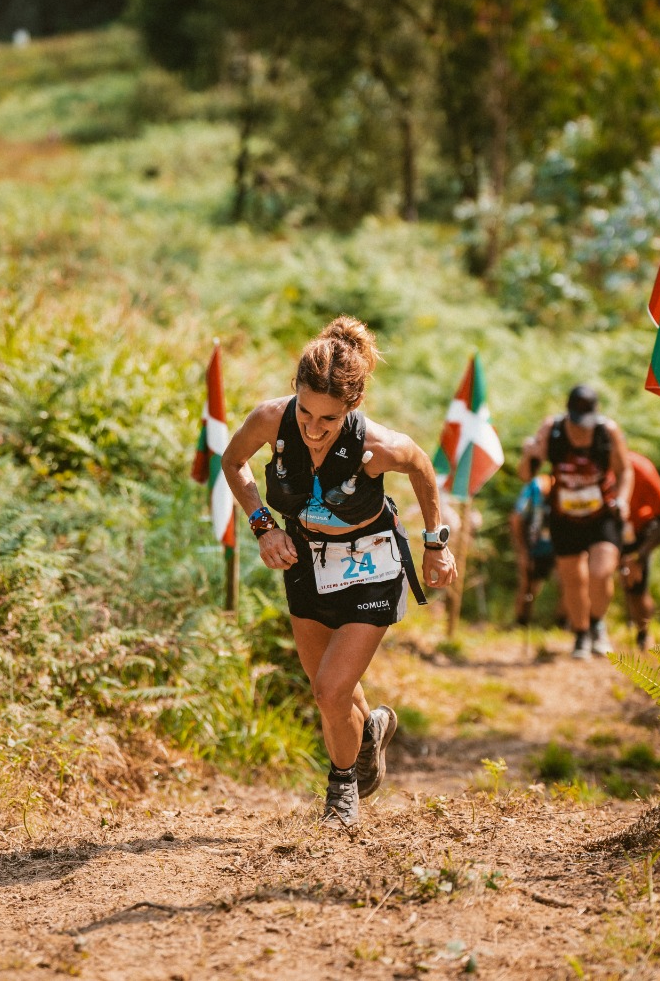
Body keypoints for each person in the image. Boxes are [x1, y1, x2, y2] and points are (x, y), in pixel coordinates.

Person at [221, 317, 456, 829]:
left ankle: (341, 790)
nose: (311, 427)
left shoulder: (378, 444)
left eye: (327, 419)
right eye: (304, 410)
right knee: (334, 694)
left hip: (372, 564)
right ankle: (367, 732)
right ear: (294, 394)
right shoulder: (269, 421)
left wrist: (436, 543)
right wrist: (264, 528)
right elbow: (233, 462)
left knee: (329, 689)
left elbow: (421, 468)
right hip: (306, 562)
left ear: (351, 406)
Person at [519, 385, 633, 659]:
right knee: (573, 579)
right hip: (564, 517)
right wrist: (530, 453)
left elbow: (625, 469)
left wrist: (624, 499)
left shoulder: (608, 431)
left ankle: (597, 623)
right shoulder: (553, 429)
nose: (582, 428)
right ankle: (581, 635)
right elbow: (526, 474)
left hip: (601, 515)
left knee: (600, 572)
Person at [620, 451, 660, 651]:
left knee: (636, 585)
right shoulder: (596, 468)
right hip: (612, 529)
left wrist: (641, 554)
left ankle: (643, 633)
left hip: (641, 532)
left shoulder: (642, 469)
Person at [509, 439, 555, 627]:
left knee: (572, 584)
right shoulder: (536, 487)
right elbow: (517, 518)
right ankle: (521, 622)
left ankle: (566, 624)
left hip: (559, 546)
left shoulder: (569, 486)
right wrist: (522, 550)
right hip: (536, 545)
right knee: (528, 586)